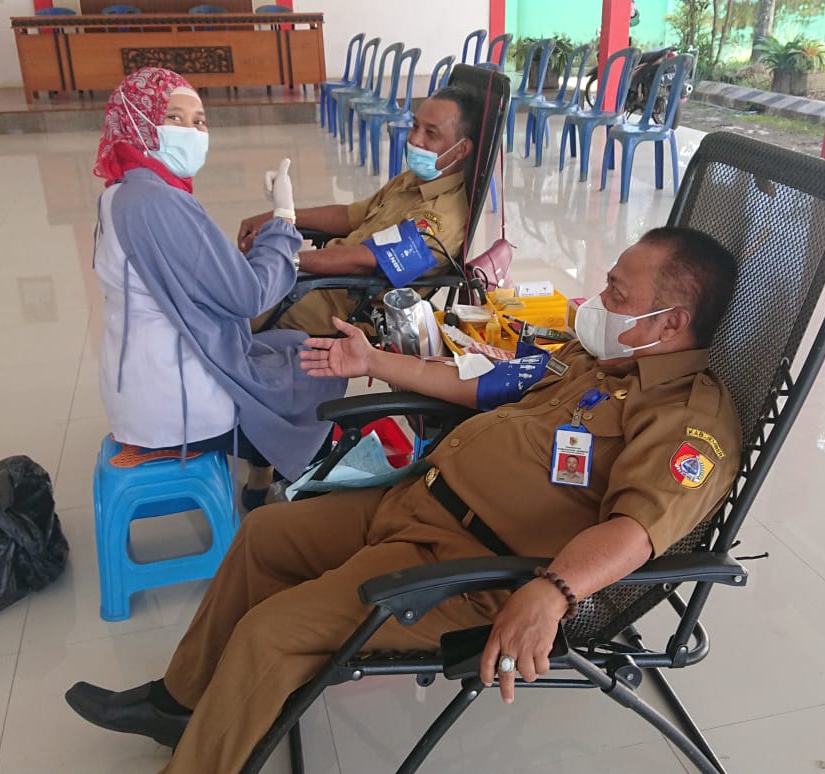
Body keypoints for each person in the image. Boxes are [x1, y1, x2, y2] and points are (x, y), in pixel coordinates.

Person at [66, 227, 743, 774]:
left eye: (616, 291)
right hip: (416, 505)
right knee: (264, 536)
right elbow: (486, 384)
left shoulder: (690, 421)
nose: (597, 298)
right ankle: (181, 703)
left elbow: (638, 530)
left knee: (271, 636)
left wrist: (554, 592)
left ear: (670, 321)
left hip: (469, 566)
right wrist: (374, 363)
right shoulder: (600, 357)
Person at [92, 67, 346, 500]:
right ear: (138, 120)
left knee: (286, 345)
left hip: (138, 383)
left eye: (199, 121)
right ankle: (316, 499)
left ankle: (264, 479)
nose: (192, 131)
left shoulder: (120, 193)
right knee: (316, 368)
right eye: (175, 117)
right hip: (181, 400)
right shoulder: (158, 202)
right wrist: (284, 219)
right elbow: (249, 296)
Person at [237, 86, 480, 336]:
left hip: (343, 304)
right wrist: (279, 217)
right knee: (226, 281)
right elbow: (351, 215)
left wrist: (288, 260)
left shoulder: (441, 219)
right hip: (319, 280)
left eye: (431, 133)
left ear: (461, 149)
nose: (415, 139)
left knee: (231, 305)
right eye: (415, 126)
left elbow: (365, 261)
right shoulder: (412, 181)